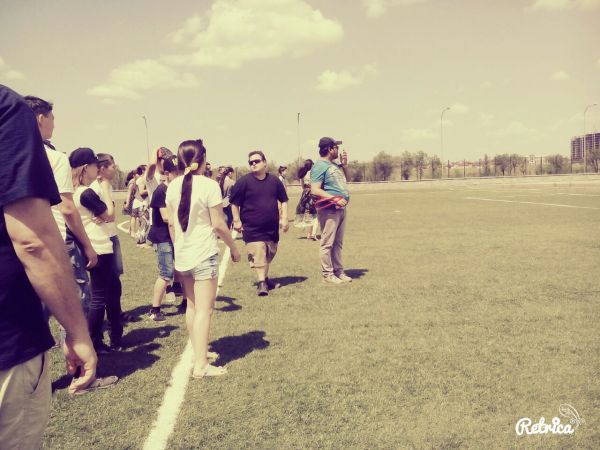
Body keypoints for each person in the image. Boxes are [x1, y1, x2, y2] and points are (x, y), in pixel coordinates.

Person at [0, 85, 96, 448]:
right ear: (42, 118)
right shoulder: (7, 109)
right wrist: (77, 332)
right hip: (8, 338)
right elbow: (33, 241)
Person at [165, 139, 240, 378]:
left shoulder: (172, 186)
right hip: (203, 254)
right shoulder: (209, 185)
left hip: (184, 255)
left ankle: (200, 352)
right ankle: (201, 365)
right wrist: (234, 248)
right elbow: (218, 224)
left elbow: (171, 224)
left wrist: (178, 247)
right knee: (204, 310)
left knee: (193, 306)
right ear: (203, 160)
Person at [70, 148, 123, 353]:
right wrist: (107, 189)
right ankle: (95, 341)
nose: (97, 169)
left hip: (96, 245)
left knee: (106, 292)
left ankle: (102, 339)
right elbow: (109, 214)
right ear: (86, 168)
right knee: (100, 297)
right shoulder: (86, 192)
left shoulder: (78, 192)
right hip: (99, 246)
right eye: (94, 165)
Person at [230, 150, 289, 296]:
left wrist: (284, 218)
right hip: (252, 228)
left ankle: (266, 279)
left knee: (268, 254)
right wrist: (236, 220)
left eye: (256, 161)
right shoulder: (243, 182)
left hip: (271, 228)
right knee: (258, 253)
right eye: (251, 162)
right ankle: (262, 283)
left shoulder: (274, 181)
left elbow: (284, 200)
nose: (253, 164)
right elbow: (234, 203)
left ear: (265, 163)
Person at [310, 137, 352, 284]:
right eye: (336, 147)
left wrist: (344, 165)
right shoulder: (319, 166)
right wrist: (334, 198)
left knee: (338, 243)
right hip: (329, 209)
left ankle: (338, 271)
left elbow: (348, 179)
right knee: (327, 243)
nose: (338, 150)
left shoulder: (334, 165)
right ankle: (327, 274)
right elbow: (315, 190)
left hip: (341, 209)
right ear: (329, 149)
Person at [146, 156, 178, 321]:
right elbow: (166, 217)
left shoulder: (176, 189)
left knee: (182, 269)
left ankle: (186, 302)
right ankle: (154, 310)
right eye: (176, 173)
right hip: (163, 238)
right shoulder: (161, 191)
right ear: (167, 173)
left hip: (174, 235)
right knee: (166, 273)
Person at [294, 159, 318, 240]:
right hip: (312, 193)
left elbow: (302, 186)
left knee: (308, 214)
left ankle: (308, 234)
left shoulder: (303, 174)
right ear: (311, 165)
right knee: (315, 214)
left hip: (305, 195)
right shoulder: (313, 173)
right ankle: (313, 234)